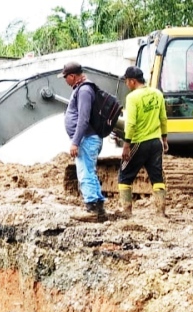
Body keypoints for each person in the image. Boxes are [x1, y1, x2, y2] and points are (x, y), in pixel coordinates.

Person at [117, 66, 169, 218]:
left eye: (127, 81)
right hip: (156, 142)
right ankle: (160, 212)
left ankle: (127, 211)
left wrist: (127, 145)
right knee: (157, 177)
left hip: (139, 142)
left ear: (132, 81)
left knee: (124, 175)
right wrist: (164, 139)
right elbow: (163, 118)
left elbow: (131, 123)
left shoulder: (133, 98)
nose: (126, 84)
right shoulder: (157, 93)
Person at [59, 61, 107, 223]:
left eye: (66, 77)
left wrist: (75, 142)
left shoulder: (85, 90)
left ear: (72, 76)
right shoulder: (82, 89)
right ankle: (99, 208)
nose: (65, 81)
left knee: (85, 172)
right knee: (89, 171)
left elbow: (83, 119)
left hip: (86, 139)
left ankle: (92, 208)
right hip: (87, 138)